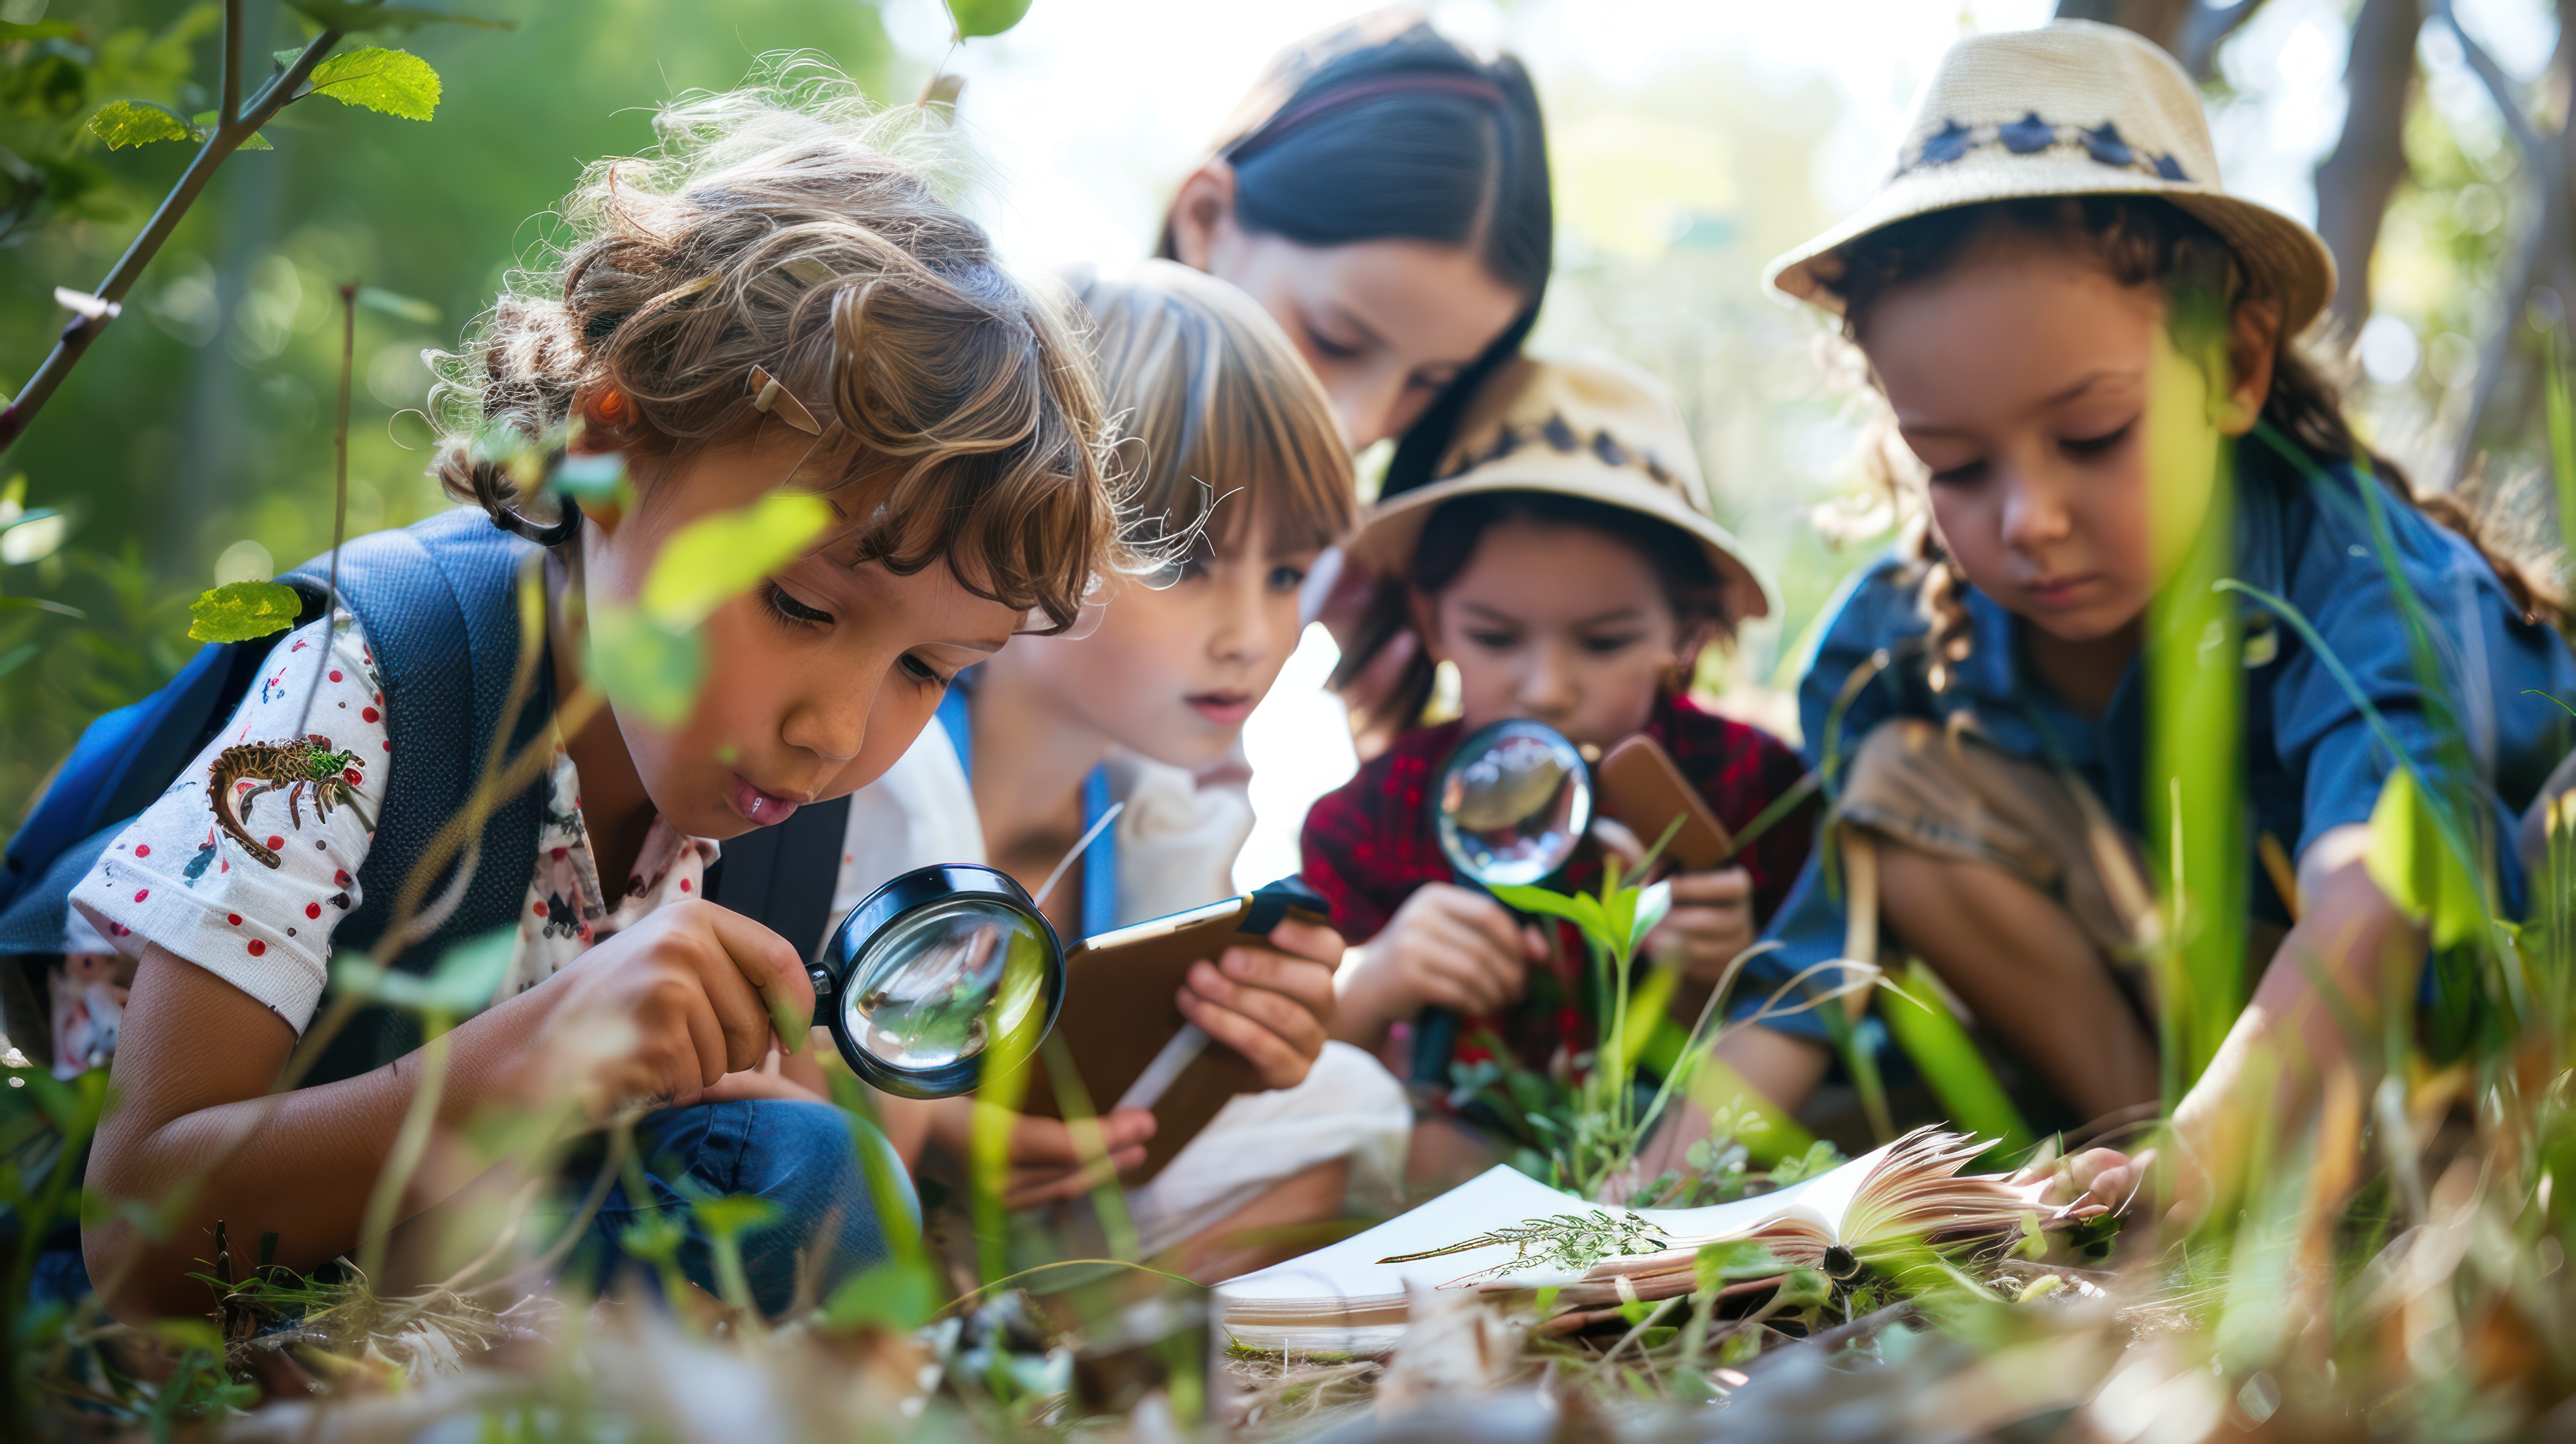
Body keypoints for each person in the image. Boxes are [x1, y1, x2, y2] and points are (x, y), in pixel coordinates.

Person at [69, 78, 1124, 1322]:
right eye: (795, 605)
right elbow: (130, 1236)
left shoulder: (783, 820)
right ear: (615, 449)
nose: (836, 733)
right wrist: (541, 1054)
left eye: (929, 672)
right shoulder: (366, 700)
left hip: (455, 1295)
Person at [1740, 21, 2576, 1205]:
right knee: (1890, 790)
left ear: (2235, 367)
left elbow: (2382, 879)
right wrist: (1633, 1198)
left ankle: (2250, 1175)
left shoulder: (2365, 574)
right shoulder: (1899, 643)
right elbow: (1820, 952)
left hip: (2465, 1038)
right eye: (1959, 466)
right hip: (2170, 1050)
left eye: (2092, 436)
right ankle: (2149, 1179)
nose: (2028, 517)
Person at [835, 261, 1408, 1280]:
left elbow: (1140, 1090)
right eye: (1184, 559)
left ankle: (1071, 1355)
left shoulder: (1159, 809)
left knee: (1341, 1099)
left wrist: (1238, 1046)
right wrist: (952, 1132)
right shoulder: (882, 761)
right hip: (830, 1181)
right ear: (1027, 518)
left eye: (1284, 574)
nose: (1251, 636)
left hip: (1050, 1203)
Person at [1299, 355, 1814, 1179]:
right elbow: (1295, 1066)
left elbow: (1816, 1020)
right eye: (1496, 639)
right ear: (1432, 621)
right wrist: (1382, 975)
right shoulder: (1372, 819)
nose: (1546, 688)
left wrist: (1725, 970)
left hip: (1690, 1172)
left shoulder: (1758, 791)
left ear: (1684, 630)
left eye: (1605, 642)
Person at [1159, 10, 1553, 755]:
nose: (1362, 424)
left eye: (1433, 382)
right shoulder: (980, 447)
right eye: (1335, 340)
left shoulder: (1350, 571)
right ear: (1207, 220)